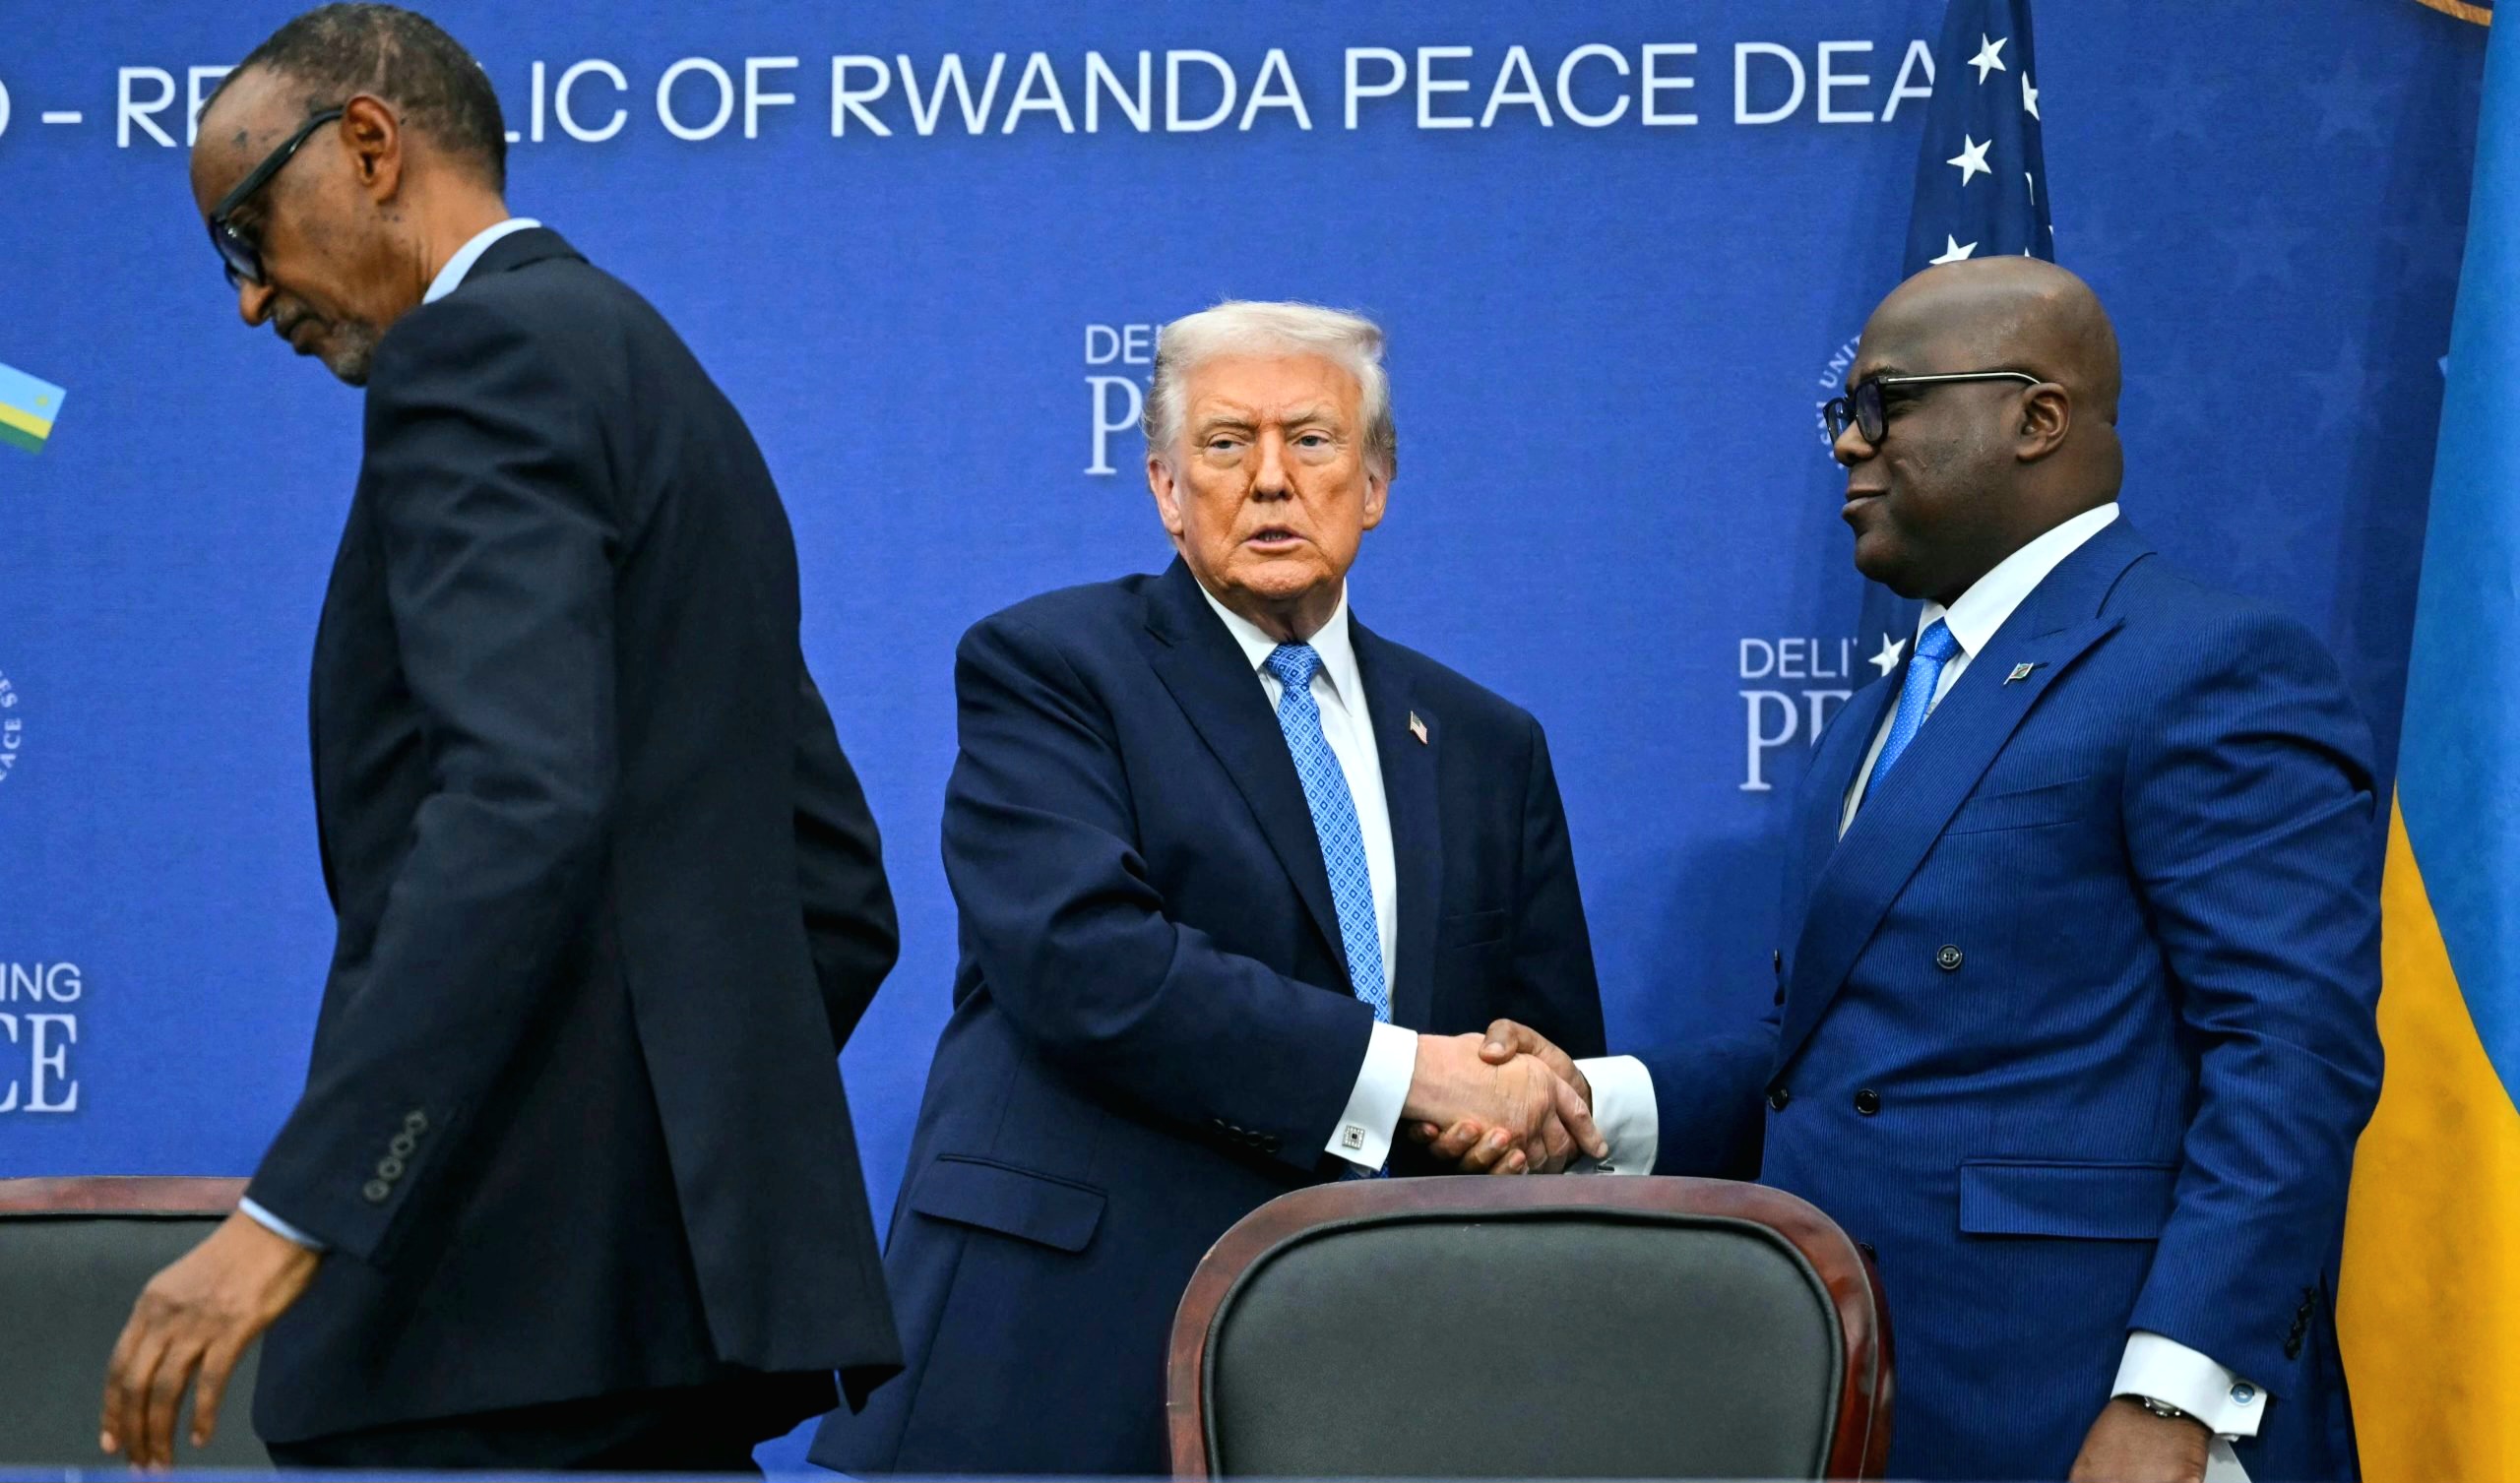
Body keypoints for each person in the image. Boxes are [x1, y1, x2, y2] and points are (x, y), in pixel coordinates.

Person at [103, 5, 902, 1469]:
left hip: (487, 1350)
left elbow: (520, 805)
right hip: (674, 1351)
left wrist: (297, 1211)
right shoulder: (658, 377)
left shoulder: (474, 360)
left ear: (365, 144)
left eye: (245, 231)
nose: (247, 296)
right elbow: (838, 888)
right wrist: (669, 1167)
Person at [1435, 259, 2382, 1483]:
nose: (1844, 443)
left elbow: (2292, 1057)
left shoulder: (2210, 665)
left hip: (2089, 1400)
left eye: (1885, 404)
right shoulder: (1890, 706)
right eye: (1843, 412)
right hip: (1867, 1387)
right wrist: (1590, 1107)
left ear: (2036, 418)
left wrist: (2175, 1396)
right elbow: (1828, 1056)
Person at [810, 300, 1613, 1476]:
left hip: (1381, 1369)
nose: (1272, 481)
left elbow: (1544, 1052)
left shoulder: (1489, 742)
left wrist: (1513, 1108)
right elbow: (1087, 965)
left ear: (1378, 482)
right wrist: (1409, 1073)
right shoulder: (1052, 667)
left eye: (1313, 441)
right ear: (1164, 491)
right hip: (1066, 1352)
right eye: (1228, 444)